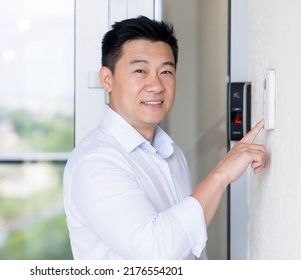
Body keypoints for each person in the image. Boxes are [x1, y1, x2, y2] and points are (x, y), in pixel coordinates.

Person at [63, 16, 267, 260]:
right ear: (107, 79)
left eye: (166, 71)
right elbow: (156, 253)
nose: (157, 85)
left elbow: (189, 249)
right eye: (140, 71)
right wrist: (222, 174)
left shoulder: (170, 152)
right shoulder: (96, 162)